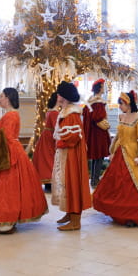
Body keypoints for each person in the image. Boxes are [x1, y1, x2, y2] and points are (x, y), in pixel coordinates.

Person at [0, 87, 48, 234]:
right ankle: (4, 220)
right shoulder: (10, 114)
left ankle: (6, 222)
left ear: (9, 98)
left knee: (7, 189)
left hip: (8, 153)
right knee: (6, 188)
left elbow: (5, 137)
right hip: (7, 150)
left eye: (2, 96)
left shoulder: (11, 115)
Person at [93, 91, 138, 228]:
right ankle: (120, 213)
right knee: (117, 183)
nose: (120, 106)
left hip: (133, 153)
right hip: (120, 153)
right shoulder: (121, 117)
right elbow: (118, 137)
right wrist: (113, 151)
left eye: (121, 104)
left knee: (135, 184)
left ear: (128, 104)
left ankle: (135, 215)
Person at [51, 81, 91, 231]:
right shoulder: (67, 110)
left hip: (71, 153)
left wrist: (62, 143)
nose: (58, 96)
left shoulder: (72, 113)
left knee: (72, 182)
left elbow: (73, 136)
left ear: (65, 96)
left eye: (59, 93)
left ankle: (76, 221)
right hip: (67, 152)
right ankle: (70, 213)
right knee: (67, 183)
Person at [82, 78, 111, 188]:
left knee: (96, 157)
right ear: (99, 88)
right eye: (103, 86)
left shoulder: (90, 101)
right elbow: (98, 118)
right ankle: (95, 181)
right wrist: (107, 125)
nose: (104, 88)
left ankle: (94, 179)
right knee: (99, 157)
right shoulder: (98, 102)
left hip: (93, 134)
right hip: (99, 134)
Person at [32, 91, 59, 188]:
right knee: (49, 159)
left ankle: (48, 182)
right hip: (50, 138)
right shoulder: (55, 112)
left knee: (46, 158)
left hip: (46, 136)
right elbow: (57, 128)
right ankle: (49, 182)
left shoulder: (50, 111)